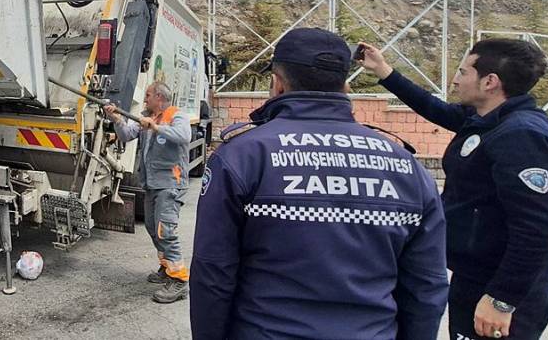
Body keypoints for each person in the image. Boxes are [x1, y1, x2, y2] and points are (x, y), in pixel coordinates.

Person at [191, 28, 448, 339]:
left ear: (277, 82)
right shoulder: (407, 167)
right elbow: (427, 285)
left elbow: (213, 273)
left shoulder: (242, 156)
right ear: (345, 85)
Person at [359, 38, 548, 340]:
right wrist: (385, 71)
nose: (455, 79)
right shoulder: (487, 121)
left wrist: (502, 299)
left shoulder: (521, 136)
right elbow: (435, 109)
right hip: (474, 277)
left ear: (490, 82)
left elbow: (538, 230)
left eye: (463, 71)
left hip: (500, 290)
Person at [104, 81, 192, 304]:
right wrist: (117, 119)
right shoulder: (144, 117)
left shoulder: (176, 116)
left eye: (148, 95)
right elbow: (125, 135)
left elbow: (183, 136)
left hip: (170, 184)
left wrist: (154, 126)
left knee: (166, 231)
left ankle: (180, 280)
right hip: (152, 184)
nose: (145, 99)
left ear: (160, 98)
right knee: (153, 228)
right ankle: (166, 268)